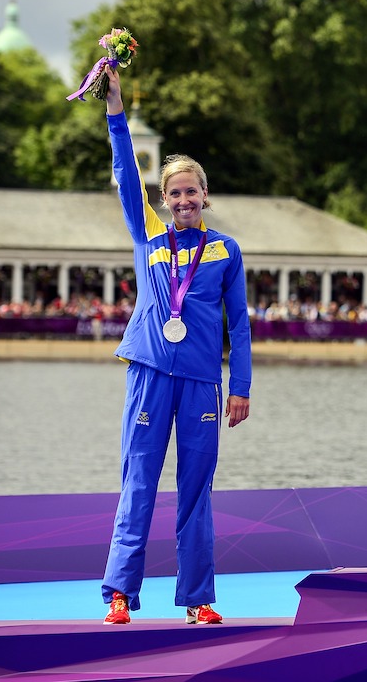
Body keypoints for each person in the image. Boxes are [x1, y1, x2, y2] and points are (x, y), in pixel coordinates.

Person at [99, 66, 252, 625]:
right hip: (148, 372)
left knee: (196, 492)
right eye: (174, 193)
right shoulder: (147, 238)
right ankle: (120, 593)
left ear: (204, 196)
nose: (184, 199)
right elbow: (122, 169)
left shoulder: (227, 251)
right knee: (138, 483)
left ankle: (198, 599)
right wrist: (115, 107)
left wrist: (242, 388)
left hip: (202, 385)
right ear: (162, 200)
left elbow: (240, 322)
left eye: (192, 191)